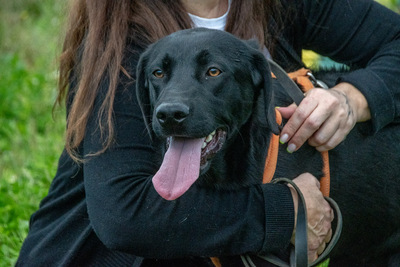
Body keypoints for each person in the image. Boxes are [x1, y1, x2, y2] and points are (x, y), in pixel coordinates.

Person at [16, 0, 400, 266]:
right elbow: (126, 215)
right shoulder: (118, 40)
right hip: (104, 257)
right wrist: (288, 210)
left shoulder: (279, 4)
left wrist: (353, 97)